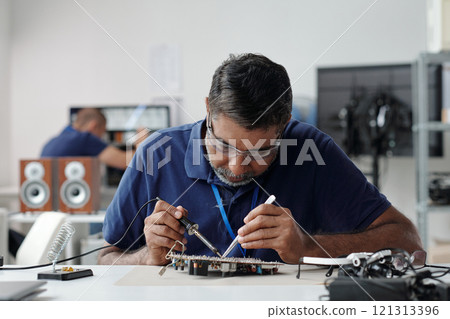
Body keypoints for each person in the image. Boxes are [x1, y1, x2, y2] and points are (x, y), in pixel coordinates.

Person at [98, 53, 422, 266]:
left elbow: (406, 239)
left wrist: (306, 245)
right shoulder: (156, 153)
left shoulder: (312, 149)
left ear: (285, 125)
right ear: (208, 110)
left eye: (261, 151)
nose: (238, 167)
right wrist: (145, 256)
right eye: (224, 145)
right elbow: (103, 257)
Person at [41, 108, 132, 169]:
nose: (101, 138)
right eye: (102, 132)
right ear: (94, 126)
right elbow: (125, 161)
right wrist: (142, 141)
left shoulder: (52, 141)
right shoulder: (84, 138)